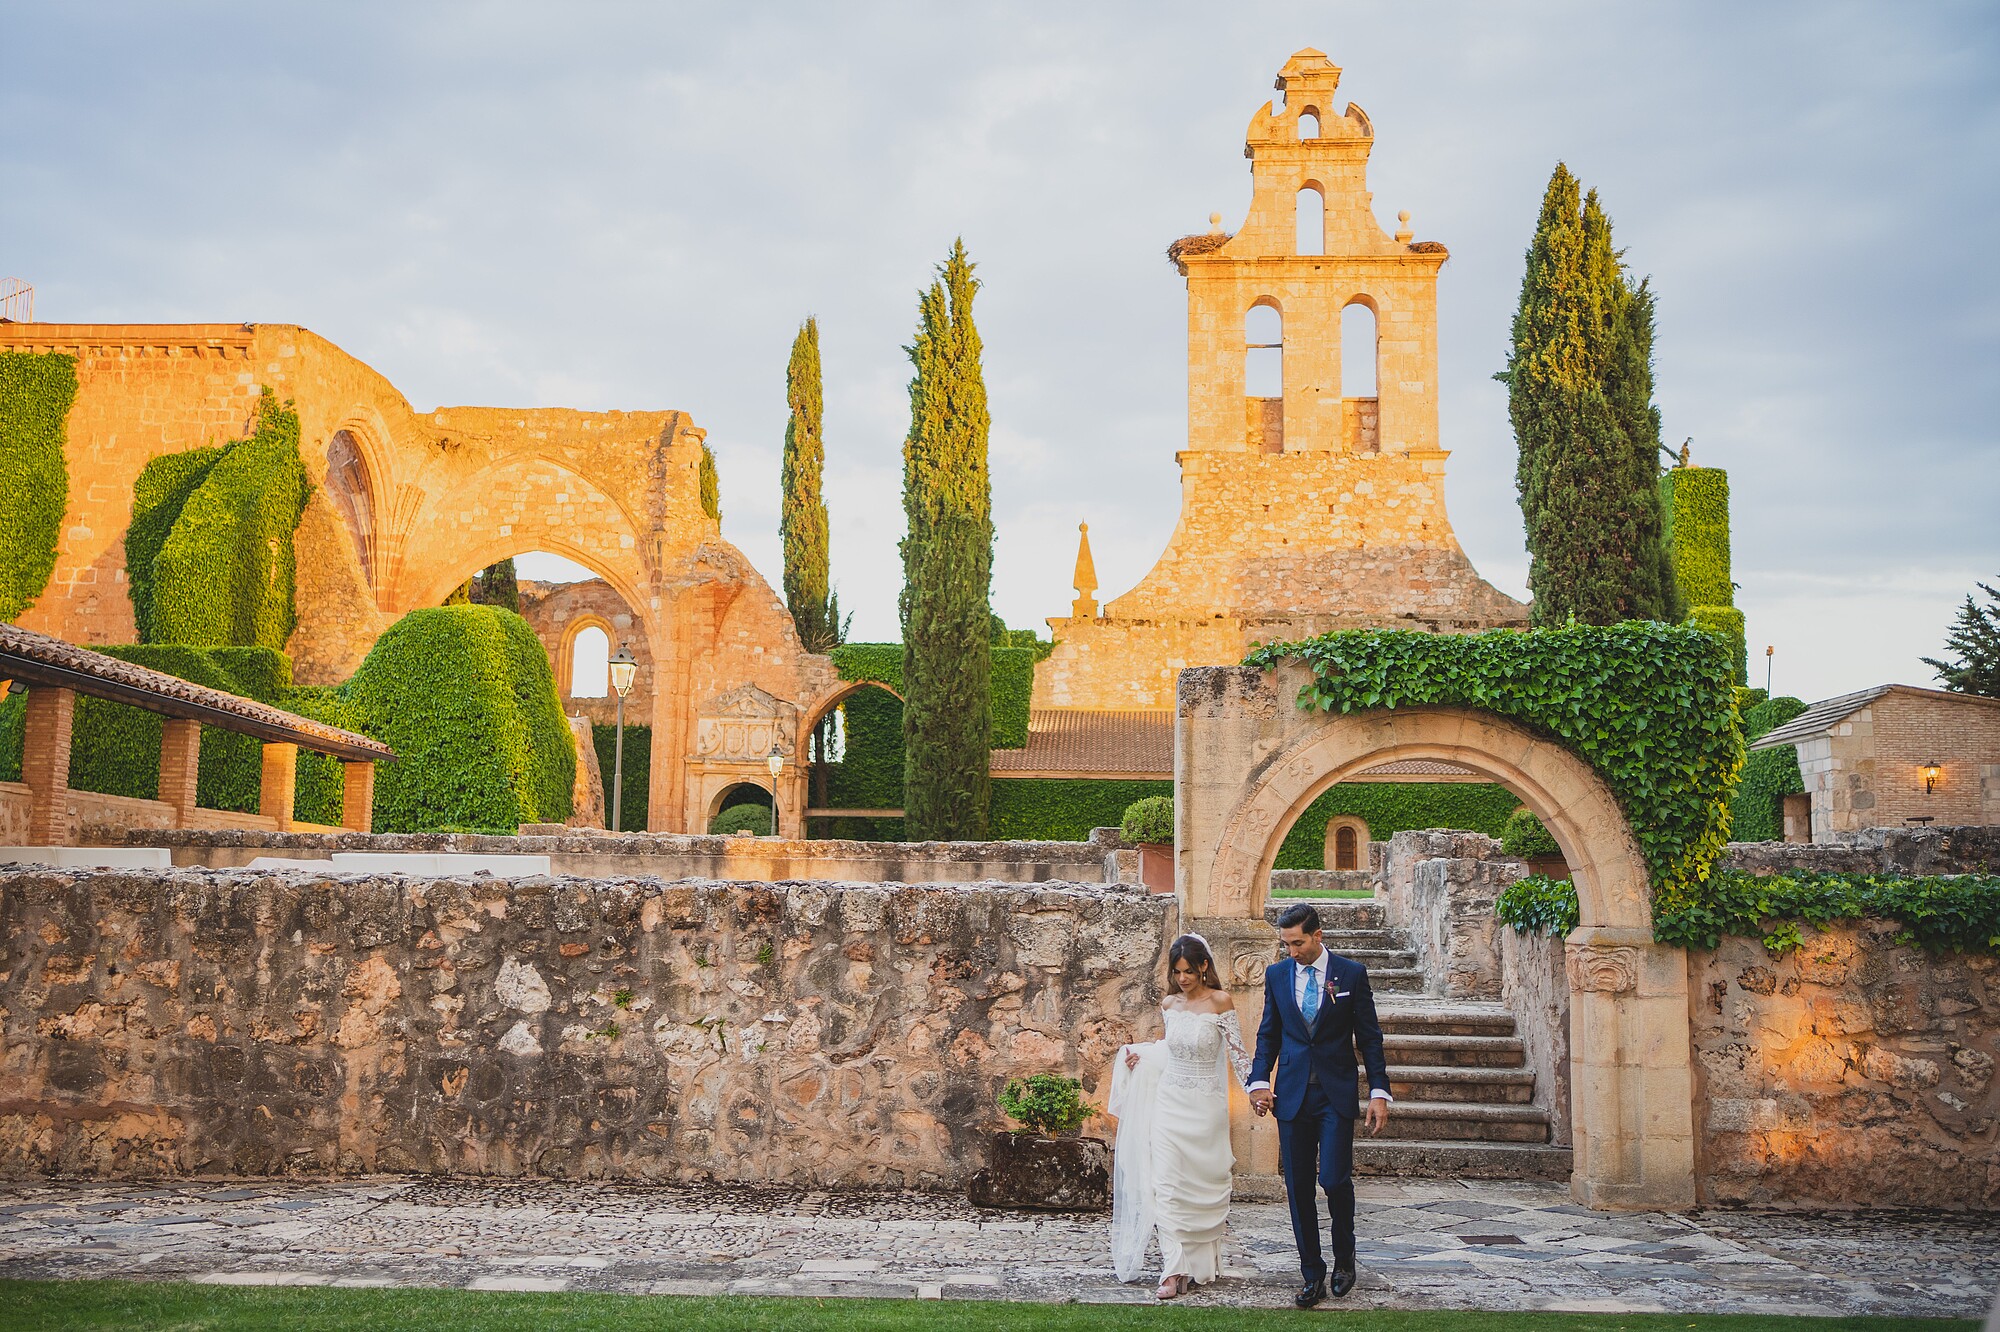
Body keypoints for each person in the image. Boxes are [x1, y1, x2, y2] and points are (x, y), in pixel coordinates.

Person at [1246, 902, 1392, 1308]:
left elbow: (1370, 1037)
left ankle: (1345, 1258)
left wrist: (1379, 1091)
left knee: (1333, 1180)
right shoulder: (1276, 976)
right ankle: (1312, 1273)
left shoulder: (1351, 974)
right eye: (1286, 944)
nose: (1292, 951)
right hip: (1290, 1096)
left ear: (1318, 935)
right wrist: (1259, 1081)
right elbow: (1268, 1035)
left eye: (1298, 943)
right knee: (1298, 1188)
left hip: (1335, 1093)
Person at [1107, 933, 1254, 1300]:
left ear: (1204, 966)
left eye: (1189, 970)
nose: (1183, 978)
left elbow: (1238, 1054)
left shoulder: (1221, 1002)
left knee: (1199, 1189)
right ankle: (1173, 1271)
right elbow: (1169, 1050)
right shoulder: (1169, 1004)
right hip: (1170, 1103)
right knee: (1166, 1186)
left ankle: (1198, 1265)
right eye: (1177, 971)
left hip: (1205, 1109)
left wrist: (1258, 1089)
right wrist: (1140, 1058)